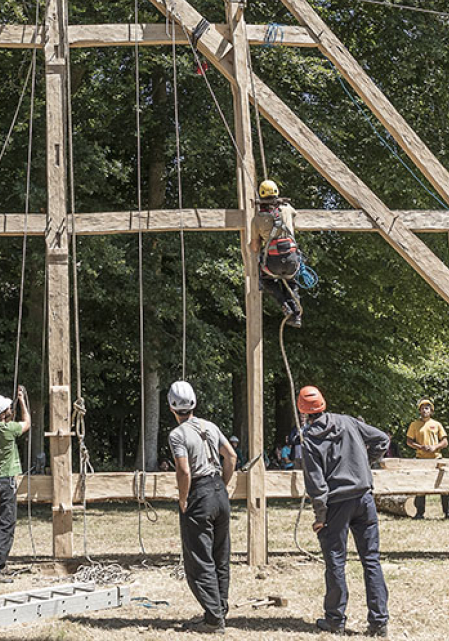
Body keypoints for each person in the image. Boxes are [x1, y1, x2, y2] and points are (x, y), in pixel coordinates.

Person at [299, 386, 390, 637]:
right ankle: (379, 622)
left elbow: (317, 486)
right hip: (364, 498)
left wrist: (320, 517)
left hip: (337, 504)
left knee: (336, 562)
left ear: (303, 412)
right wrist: (365, 463)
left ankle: (335, 620)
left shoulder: (310, 440)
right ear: (323, 404)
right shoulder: (348, 422)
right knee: (371, 560)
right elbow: (382, 439)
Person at [167, 380, 236, 633]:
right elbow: (231, 456)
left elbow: (184, 470)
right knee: (220, 555)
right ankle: (220, 608)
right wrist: (222, 485)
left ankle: (213, 618)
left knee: (199, 558)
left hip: (199, 494)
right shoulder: (210, 426)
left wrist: (184, 498)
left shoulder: (177, 435)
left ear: (171, 407)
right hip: (219, 490)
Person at [0, 385, 30, 583]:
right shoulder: (9, 430)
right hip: (6, 482)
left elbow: (6, 421)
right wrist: (22, 402)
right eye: (7, 408)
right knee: (5, 525)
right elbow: (26, 423)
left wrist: (11, 407)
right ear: (2, 414)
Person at [250, 179, 304, 326]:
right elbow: (294, 216)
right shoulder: (287, 208)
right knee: (291, 281)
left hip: (272, 263)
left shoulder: (257, 219)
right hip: (291, 259)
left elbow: (255, 247)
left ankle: (284, 305)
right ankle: (296, 315)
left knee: (266, 280)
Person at [405, 399, 449, 519]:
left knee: (443, 485)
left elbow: (445, 441)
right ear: (419, 411)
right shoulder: (414, 424)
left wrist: (434, 447)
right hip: (420, 459)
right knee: (420, 487)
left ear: (431, 411)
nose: (424, 410)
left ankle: (448, 512)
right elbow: (409, 441)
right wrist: (420, 447)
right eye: (422, 408)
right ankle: (419, 513)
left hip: (437, 459)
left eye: (427, 408)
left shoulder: (437, 424)